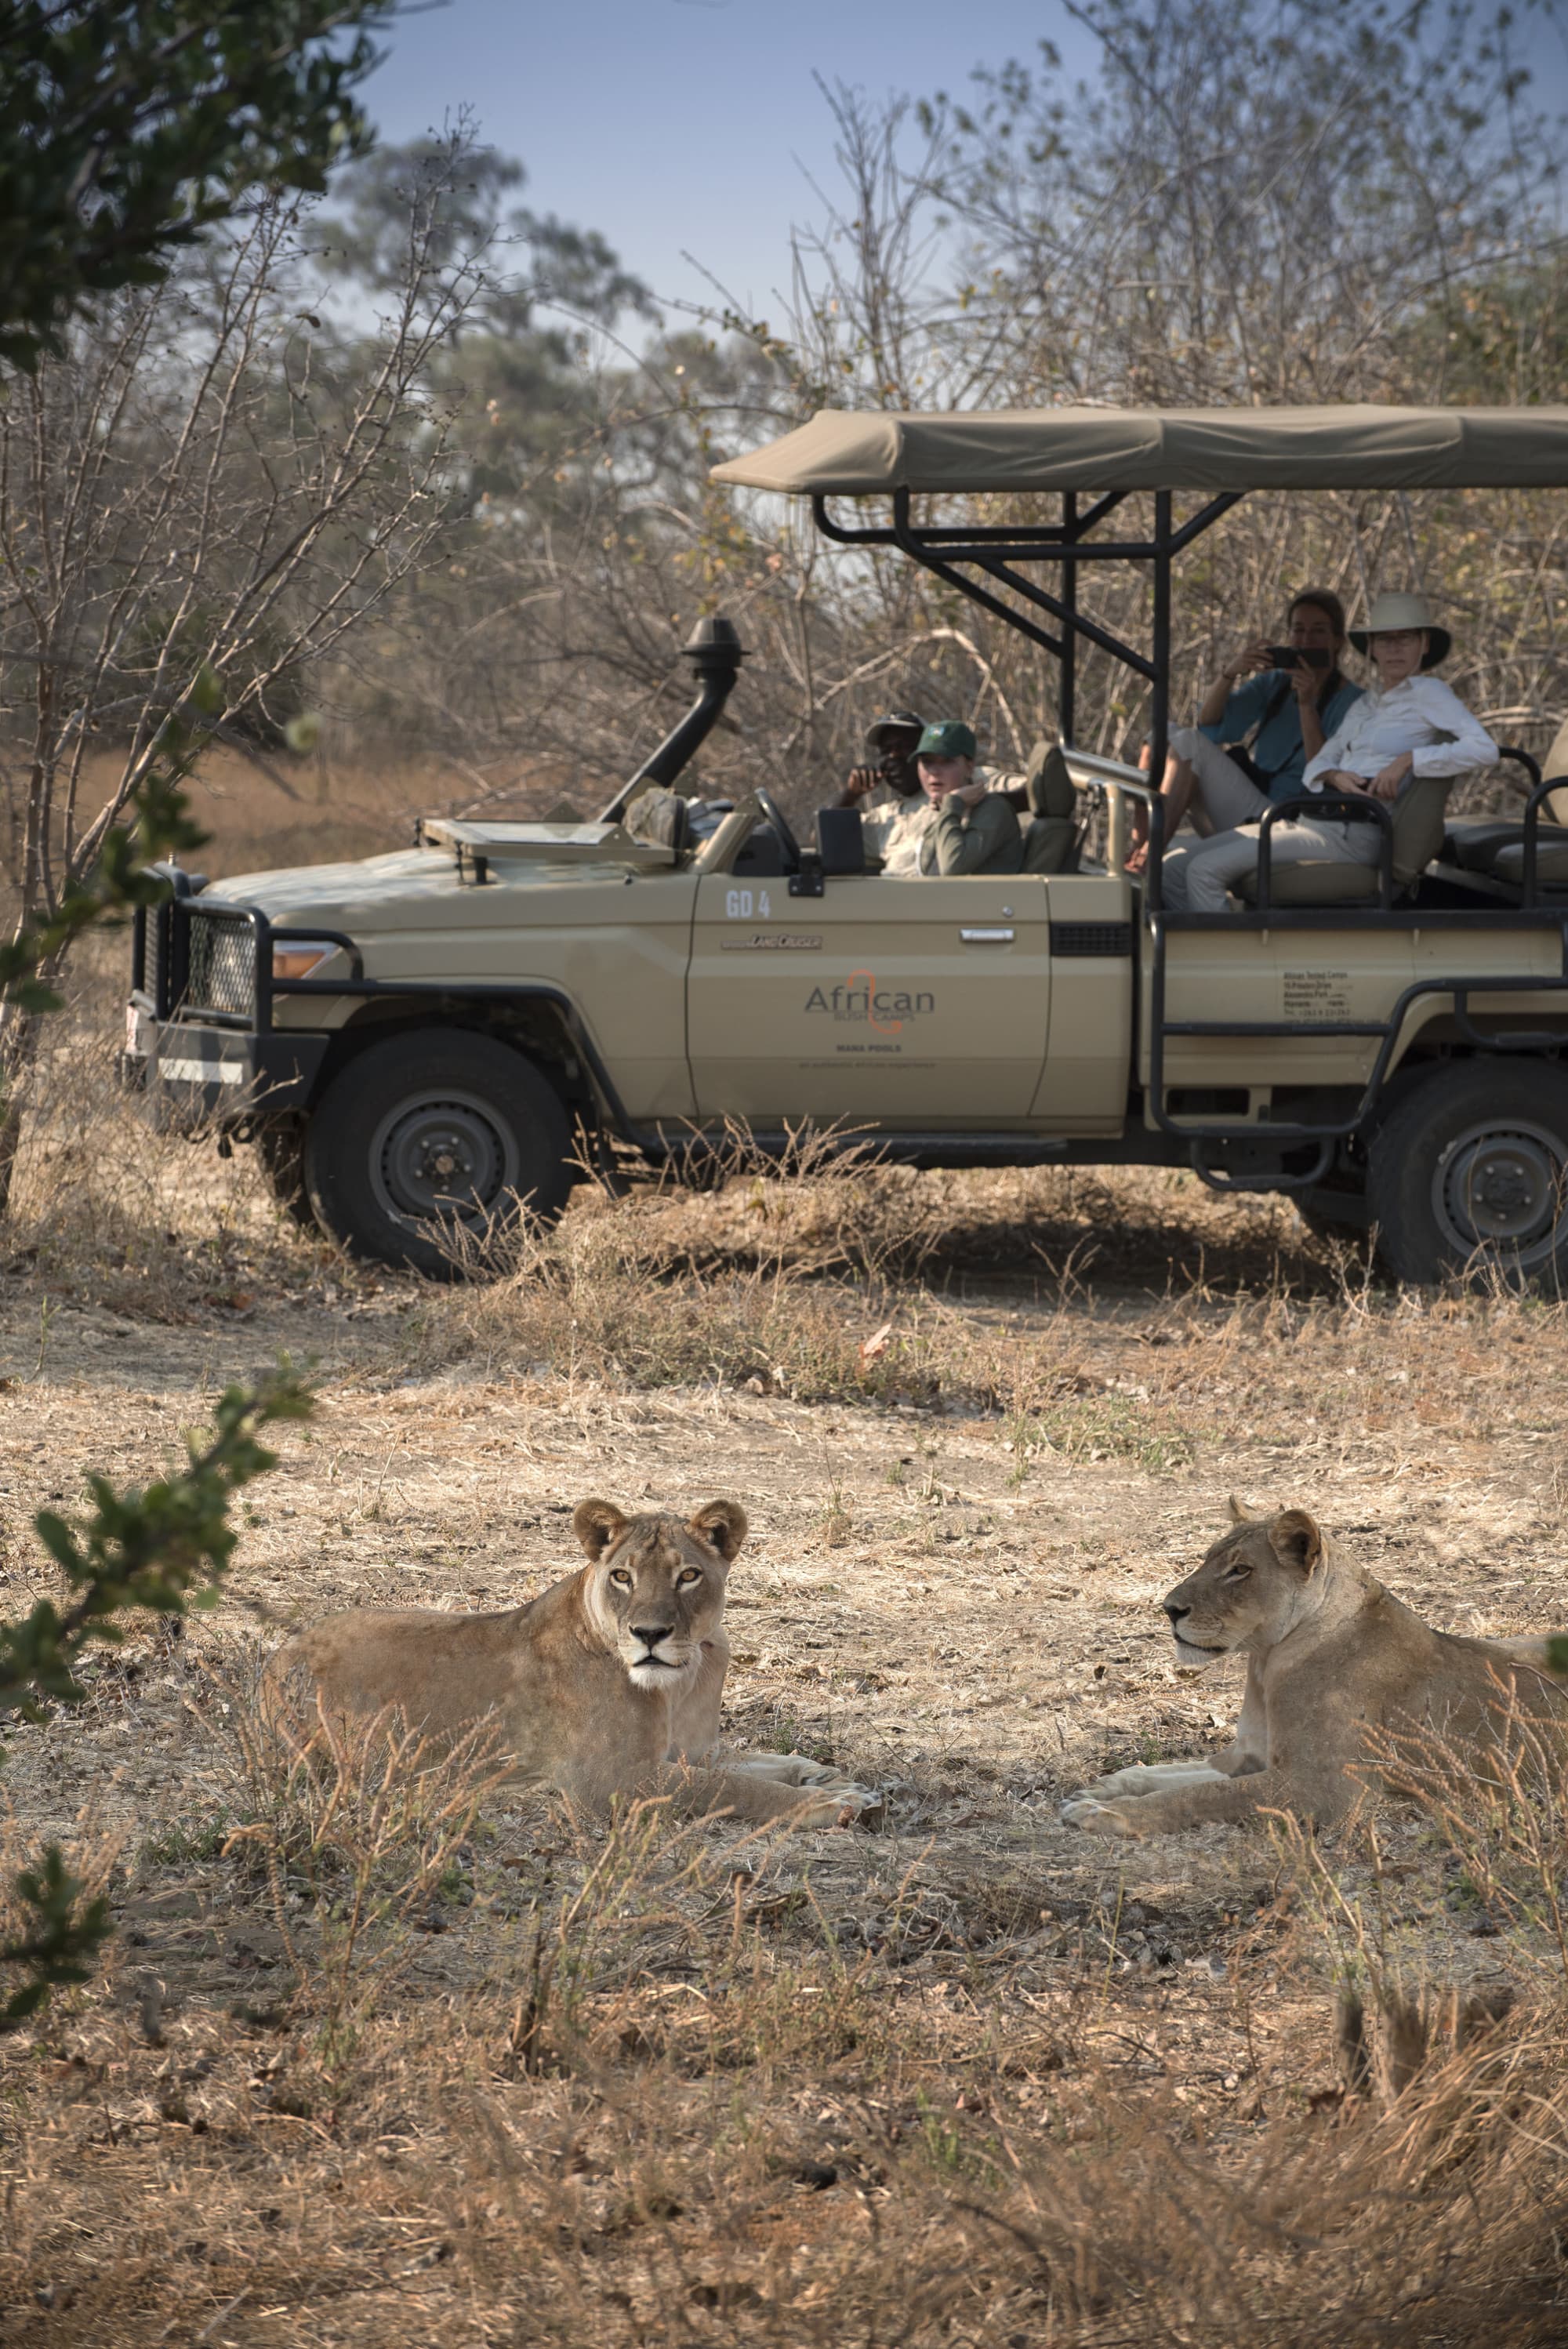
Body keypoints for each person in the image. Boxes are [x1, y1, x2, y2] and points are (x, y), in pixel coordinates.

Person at [1162, 592, 1497, 914]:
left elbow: (1485, 750)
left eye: (1406, 638)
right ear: (1372, 649)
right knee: (1174, 868)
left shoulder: (1430, 693)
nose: (1395, 648)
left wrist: (1409, 760)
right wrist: (1334, 774)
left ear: (1424, 645)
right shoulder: (1367, 703)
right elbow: (1319, 763)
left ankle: (1230, 968)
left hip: (1355, 831)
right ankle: (1192, 962)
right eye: (1385, 640)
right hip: (1313, 820)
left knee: (1203, 870)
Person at [1129, 589, 1362, 879]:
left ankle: (1148, 857)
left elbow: (1323, 770)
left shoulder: (1353, 702)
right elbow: (1212, 726)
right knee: (1164, 734)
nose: (1306, 640)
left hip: (1286, 819)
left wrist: (1307, 705)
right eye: (1298, 630)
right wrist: (1230, 673)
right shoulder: (1276, 683)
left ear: (1338, 641)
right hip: (1250, 802)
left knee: (1188, 744)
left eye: (1318, 632)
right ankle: (1138, 845)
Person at [913, 721, 1024, 875]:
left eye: (946, 761)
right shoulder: (941, 810)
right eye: (927, 762)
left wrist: (952, 805)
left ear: (969, 767)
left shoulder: (993, 809)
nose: (934, 772)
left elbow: (952, 867)